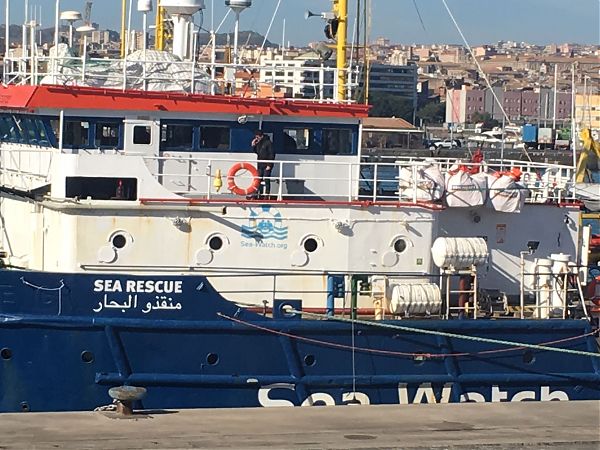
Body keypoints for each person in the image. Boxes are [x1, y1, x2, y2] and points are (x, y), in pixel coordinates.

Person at [251, 130, 275, 198]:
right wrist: (253, 146)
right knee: (258, 178)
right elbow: (257, 152)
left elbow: (271, 154)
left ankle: (267, 194)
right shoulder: (259, 143)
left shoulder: (268, 143)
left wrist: (269, 165)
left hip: (267, 164)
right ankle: (258, 193)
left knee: (266, 179)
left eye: (257, 137)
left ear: (261, 136)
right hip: (260, 164)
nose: (256, 138)